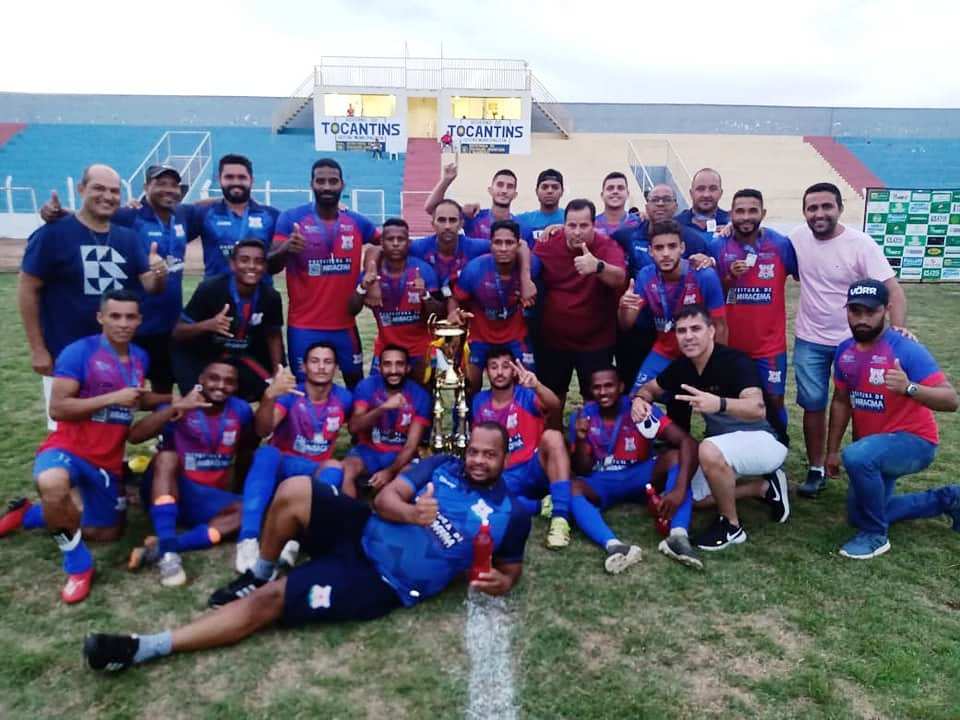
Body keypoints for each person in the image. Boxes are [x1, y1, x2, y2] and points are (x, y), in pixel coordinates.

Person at [82, 423, 532, 672]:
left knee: (271, 602)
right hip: (362, 529)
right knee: (297, 488)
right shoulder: (442, 465)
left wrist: (499, 582)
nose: (477, 460)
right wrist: (413, 514)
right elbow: (388, 497)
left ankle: (144, 647)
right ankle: (257, 570)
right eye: (473, 451)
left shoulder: (513, 513)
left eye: (487, 455)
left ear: (504, 457)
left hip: (379, 579)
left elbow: (509, 570)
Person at [0, 290, 164, 603]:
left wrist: (177, 400)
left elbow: (137, 398)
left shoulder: (141, 357)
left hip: (108, 461)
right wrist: (112, 398)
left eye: (130, 317)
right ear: (101, 317)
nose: (123, 323)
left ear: (139, 320)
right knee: (52, 484)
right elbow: (58, 408)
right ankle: (78, 566)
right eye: (115, 316)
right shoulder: (79, 353)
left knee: (106, 533)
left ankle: (28, 515)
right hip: (67, 448)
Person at [632, 305, 791, 551]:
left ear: (711, 331)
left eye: (696, 329)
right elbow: (651, 388)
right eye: (681, 331)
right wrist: (640, 400)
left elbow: (757, 407)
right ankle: (763, 488)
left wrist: (719, 403)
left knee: (707, 448)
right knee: (692, 498)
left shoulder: (735, 361)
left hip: (766, 439)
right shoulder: (683, 366)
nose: (688, 336)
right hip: (726, 447)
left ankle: (731, 526)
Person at [19, 164, 166, 427]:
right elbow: (27, 288)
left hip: (115, 356)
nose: (107, 196)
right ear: (81, 189)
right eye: (99, 188)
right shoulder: (52, 235)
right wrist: (38, 349)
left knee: (111, 429)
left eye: (114, 191)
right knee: (67, 430)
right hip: (65, 354)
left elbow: (150, 286)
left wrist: (159, 273)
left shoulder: (128, 239)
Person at [826, 279, 960, 559]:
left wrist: (909, 388)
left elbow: (951, 400)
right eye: (855, 311)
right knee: (857, 514)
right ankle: (949, 498)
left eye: (870, 312)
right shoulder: (844, 351)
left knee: (860, 458)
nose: (862, 319)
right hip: (875, 446)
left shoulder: (905, 349)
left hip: (914, 442)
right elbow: (840, 401)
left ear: (886, 310)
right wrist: (831, 451)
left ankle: (876, 536)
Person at [790, 182, 907, 498]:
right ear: (804, 212)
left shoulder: (861, 244)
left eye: (826, 206)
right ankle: (817, 468)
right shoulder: (797, 240)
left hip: (854, 342)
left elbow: (893, 291)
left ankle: (858, 464)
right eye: (812, 208)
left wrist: (896, 335)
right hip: (810, 339)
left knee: (861, 405)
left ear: (840, 208)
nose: (819, 213)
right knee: (813, 405)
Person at [127, 360, 255, 587]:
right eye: (214, 378)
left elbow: (246, 449)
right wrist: (177, 408)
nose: (220, 386)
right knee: (166, 457)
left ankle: (167, 545)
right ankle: (169, 558)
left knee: (253, 511)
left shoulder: (241, 410)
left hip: (204, 499)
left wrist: (237, 490)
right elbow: (135, 436)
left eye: (229, 381)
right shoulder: (182, 404)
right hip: (168, 490)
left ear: (236, 387)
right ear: (201, 380)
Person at [235, 343, 353, 573]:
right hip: (282, 466)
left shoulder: (345, 398)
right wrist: (269, 396)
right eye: (315, 361)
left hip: (313, 473)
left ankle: (294, 539)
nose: (321, 367)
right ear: (304, 367)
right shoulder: (290, 396)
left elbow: (359, 426)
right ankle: (247, 539)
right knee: (267, 453)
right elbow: (262, 430)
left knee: (335, 467)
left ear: (336, 368)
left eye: (327, 362)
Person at [569, 367, 700, 571]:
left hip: (640, 476)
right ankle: (615, 547)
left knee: (675, 457)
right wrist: (580, 437)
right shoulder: (583, 416)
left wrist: (679, 489)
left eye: (609, 386)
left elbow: (688, 442)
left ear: (621, 387)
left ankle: (678, 536)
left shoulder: (639, 409)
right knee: (572, 489)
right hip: (603, 481)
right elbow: (582, 469)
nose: (603, 392)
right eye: (597, 388)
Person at [696, 189, 797, 444]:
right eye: (740, 211)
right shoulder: (718, 245)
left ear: (763, 213)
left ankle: (777, 447)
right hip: (729, 345)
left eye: (753, 210)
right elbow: (712, 292)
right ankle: (729, 445)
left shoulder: (781, 244)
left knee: (773, 399)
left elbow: (805, 275)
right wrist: (729, 276)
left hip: (769, 346)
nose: (746, 217)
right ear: (731, 214)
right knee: (732, 401)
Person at [269, 158, 381, 388]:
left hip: (344, 325)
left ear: (342, 185)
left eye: (333, 181)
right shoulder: (291, 219)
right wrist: (286, 248)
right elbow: (270, 265)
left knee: (356, 384)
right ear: (311, 184)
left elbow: (384, 243)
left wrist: (370, 268)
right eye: (321, 181)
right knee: (303, 388)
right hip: (303, 326)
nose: (327, 187)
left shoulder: (356, 221)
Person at [534, 199, 626, 420]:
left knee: (595, 398)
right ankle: (554, 440)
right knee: (553, 397)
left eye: (583, 226)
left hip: (596, 341)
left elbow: (619, 278)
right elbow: (526, 259)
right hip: (554, 340)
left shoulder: (606, 246)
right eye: (571, 225)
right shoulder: (549, 244)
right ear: (563, 225)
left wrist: (598, 266)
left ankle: (594, 445)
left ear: (594, 225)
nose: (577, 232)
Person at [471, 348, 572, 548]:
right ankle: (542, 505)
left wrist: (537, 386)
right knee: (481, 497)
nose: (499, 372)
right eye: (493, 367)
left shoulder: (526, 394)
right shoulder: (479, 401)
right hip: (505, 475)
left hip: (533, 466)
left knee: (553, 437)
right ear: (486, 372)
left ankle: (560, 520)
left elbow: (554, 405)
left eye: (505, 367)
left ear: (514, 371)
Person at [611, 184, 709, 388]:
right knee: (632, 387)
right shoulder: (625, 235)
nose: (661, 204)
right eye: (655, 200)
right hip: (637, 326)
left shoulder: (693, 240)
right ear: (647, 205)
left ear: (676, 206)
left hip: (676, 329)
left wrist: (711, 261)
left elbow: (708, 272)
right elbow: (595, 236)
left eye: (667, 200)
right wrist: (558, 227)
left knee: (678, 395)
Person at [618, 220, 727, 394]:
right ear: (650, 251)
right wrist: (624, 307)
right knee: (637, 397)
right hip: (664, 351)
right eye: (659, 248)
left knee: (703, 407)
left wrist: (718, 365)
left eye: (672, 246)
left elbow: (720, 326)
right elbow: (626, 324)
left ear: (682, 248)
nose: (666, 253)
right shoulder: (646, 276)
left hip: (698, 353)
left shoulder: (703, 276)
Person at [171, 239, 284, 402]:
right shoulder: (210, 289)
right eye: (244, 260)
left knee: (274, 391)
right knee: (201, 399)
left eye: (259, 261)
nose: (252, 266)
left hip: (240, 355)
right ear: (232, 264)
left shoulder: (271, 296)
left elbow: (273, 334)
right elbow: (178, 332)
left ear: (265, 267)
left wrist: (277, 372)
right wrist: (208, 325)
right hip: (203, 355)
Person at [448, 220, 540, 392]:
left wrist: (527, 282)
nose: (503, 248)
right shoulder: (474, 270)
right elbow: (455, 298)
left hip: (516, 337)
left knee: (527, 386)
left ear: (518, 245)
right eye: (498, 243)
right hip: (480, 337)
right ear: (490, 245)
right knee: (467, 387)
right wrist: (453, 312)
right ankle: (466, 418)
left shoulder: (532, 266)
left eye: (509, 243)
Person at [350, 218, 441, 384]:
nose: (396, 243)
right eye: (390, 239)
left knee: (424, 403)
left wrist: (425, 295)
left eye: (401, 239)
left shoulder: (424, 271)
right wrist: (362, 287)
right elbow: (352, 310)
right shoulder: (371, 275)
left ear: (409, 243)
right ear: (382, 243)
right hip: (385, 350)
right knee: (377, 397)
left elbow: (437, 316)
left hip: (420, 352)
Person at [341, 346, 432, 495]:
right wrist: (382, 408)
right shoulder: (367, 386)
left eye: (399, 364)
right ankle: (350, 513)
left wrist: (390, 472)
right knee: (344, 472)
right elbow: (353, 427)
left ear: (408, 368)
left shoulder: (420, 395)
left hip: (400, 454)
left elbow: (411, 446)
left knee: (408, 481)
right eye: (388, 364)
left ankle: (387, 507)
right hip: (367, 451)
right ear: (380, 367)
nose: (393, 370)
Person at [192, 154, 280, 280]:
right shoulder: (204, 213)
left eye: (242, 177)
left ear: (251, 180)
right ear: (220, 179)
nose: (236, 182)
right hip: (215, 295)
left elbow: (279, 260)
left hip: (259, 294)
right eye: (229, 177)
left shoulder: (271, 216)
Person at [423, 161, 534, 246]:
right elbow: (431, 208)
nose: (504, 190)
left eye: (509, 187)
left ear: (515, 195)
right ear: (490, 190)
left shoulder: (523, 229)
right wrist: (446, 180)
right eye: (500, 185)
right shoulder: (474, 217)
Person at [409, 199, 489, 294]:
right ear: (433, 225)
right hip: (431, 304)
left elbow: (504, 248)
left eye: (452, 220)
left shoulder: (477, 247)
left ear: (461, 224)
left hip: (463, 305)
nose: (447, 226)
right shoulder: (417, 248)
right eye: (442, 220)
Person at [675, 168, 730, 246]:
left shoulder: (731, 223)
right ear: (691, 193)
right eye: (700, 189)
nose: (706, 195)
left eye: (713, 189)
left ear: (721, 193)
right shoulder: (675, 225)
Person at [515, 169, 566, 241]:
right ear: (537, 191)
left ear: (562, 192)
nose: (549, 191)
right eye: (545, 187)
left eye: (555, 187)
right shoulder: (522, 220)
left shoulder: (571, 219)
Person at [594, 172, 640, 236]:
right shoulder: (592, 225)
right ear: (602, 195)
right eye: (610, 188)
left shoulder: (640, 224)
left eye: (620, 188)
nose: (615, 191)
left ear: (627, 194)